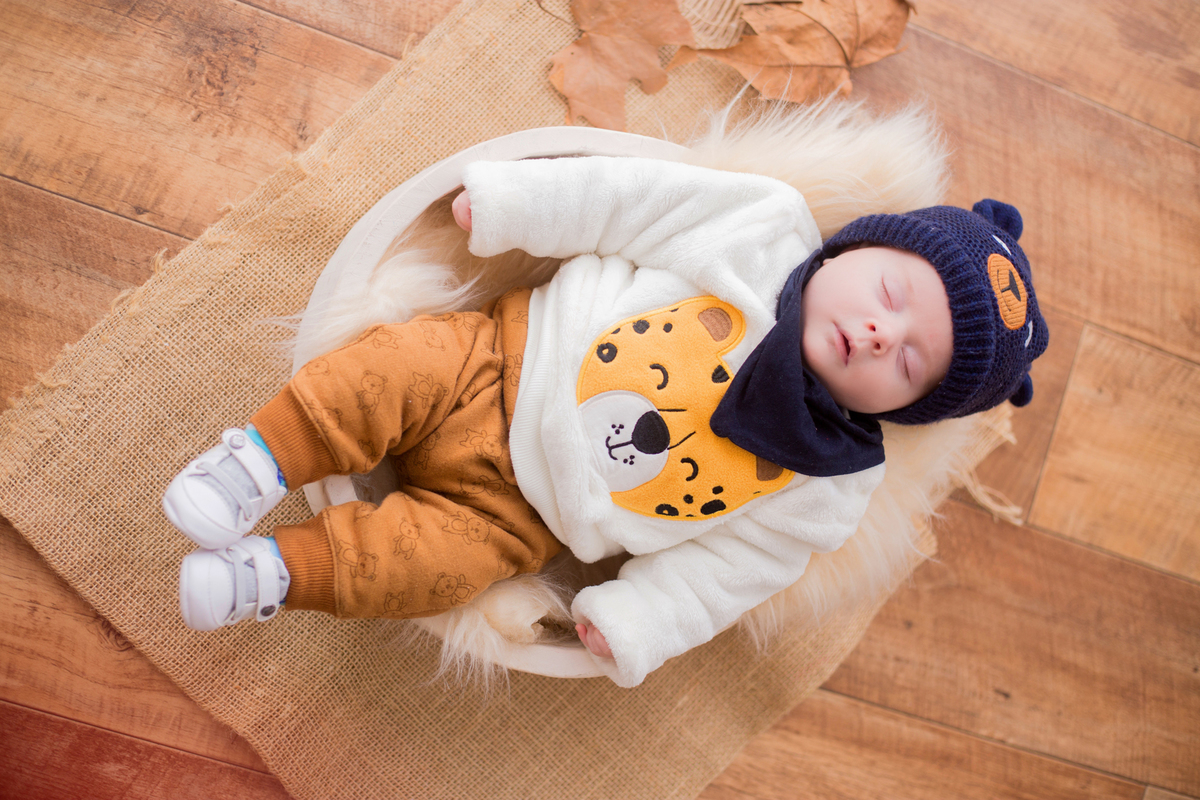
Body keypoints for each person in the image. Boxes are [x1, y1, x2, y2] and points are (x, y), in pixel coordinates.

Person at [162, 156, 1048, 687]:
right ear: (863, 245)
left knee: (420, 570)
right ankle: (257, 464)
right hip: (495, 361)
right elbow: (631, 199)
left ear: (908, 410)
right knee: (380, 373)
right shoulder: (760, 229)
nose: (879, 331)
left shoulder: (830, 484)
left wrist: (639, 624)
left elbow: (730, 573)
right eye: (891, 295)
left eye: (909, 362)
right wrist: (515, 208)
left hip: (517, 523)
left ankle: (274, 571)